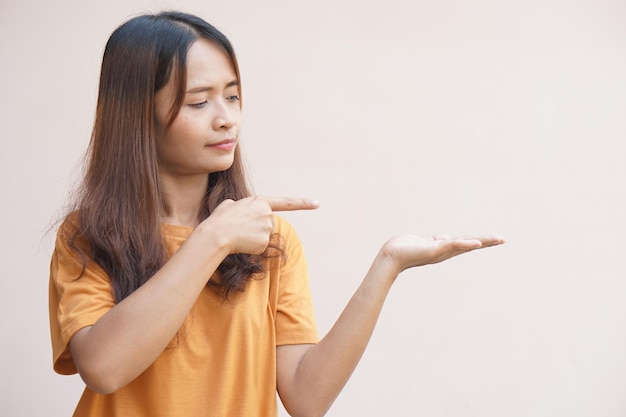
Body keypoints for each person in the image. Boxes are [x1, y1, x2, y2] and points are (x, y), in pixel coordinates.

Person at [48, 10, 504, 417]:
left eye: (233, 96)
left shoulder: (271, 239)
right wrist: (212, 239)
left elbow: (306, 399)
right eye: (199, 101)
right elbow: (104, 368)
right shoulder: (87, 236)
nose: (227, 118)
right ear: (135, 115)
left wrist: (388, 265)